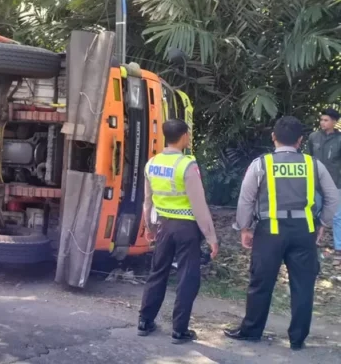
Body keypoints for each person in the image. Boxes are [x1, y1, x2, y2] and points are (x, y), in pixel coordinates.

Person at [226, 116, 339, 350]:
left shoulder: (261, 164)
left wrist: (244, 228)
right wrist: (322, 224)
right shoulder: (313, 164)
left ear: (273, 137)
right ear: (300, 140)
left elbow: (246, 199)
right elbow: (333, 196)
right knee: (303, 285)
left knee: (261, 282)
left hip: (270, 232)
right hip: (303, 230)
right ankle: (298, 339)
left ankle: (251, 331)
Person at [138, 119, 218, 344]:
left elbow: (147, 201)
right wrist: (212, 238)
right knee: (186, 277)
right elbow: (199, 206)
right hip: (186, 228)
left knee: (157, 272)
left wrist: (149, 227)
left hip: (164, 225)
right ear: (184, 136)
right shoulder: (187, 165)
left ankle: (145, 321)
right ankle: (179, 330)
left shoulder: (152, 163)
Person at [307, 108, 341, 262]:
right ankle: (312, 243)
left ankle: (339, 247)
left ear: (334, 122)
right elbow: (307, 159)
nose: (322, 122)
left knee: (337, 216)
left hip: (336, 183)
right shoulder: (313, 137)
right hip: (315, 183)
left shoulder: (339, 139)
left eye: (326, 120)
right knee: (313, 212)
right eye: (321, 120)